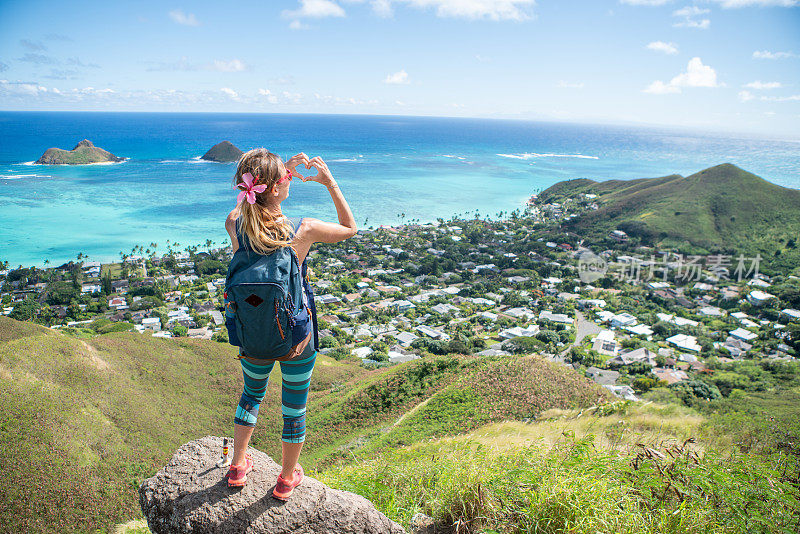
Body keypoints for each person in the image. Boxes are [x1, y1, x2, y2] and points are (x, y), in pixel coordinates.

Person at [223, 148, 356, 499]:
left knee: (251, 395)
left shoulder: (235, 224)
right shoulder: (303, 230)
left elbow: (242, 207)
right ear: (279, 188)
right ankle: (285, 479)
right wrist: (329, 182)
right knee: (293, 408)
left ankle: (237, 466)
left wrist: (275, 176)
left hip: (253, 335)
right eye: (285, 177)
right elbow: (350, 227)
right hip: (297, 337)